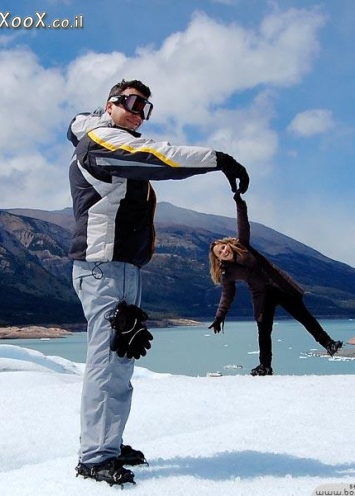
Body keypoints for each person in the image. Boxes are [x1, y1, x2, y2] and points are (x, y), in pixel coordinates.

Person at [67, 79, 249, 487]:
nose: (137, 112)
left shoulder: (113, 141)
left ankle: (107, 442)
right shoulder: (101, 141)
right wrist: (217, 158)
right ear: (109, 104)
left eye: (145, 107)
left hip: (122, 267)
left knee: (122, 355)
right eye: (131, 102)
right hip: (103, 268)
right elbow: (158, 156)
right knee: (107, 359)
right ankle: (95, 456)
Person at [208, 192, 342, 376]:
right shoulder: (227, 273)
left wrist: (239, 202)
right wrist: (219, 317)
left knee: (305, 317)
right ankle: (265, 366)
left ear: (228, 245)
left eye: (223, 247)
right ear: (217, 258)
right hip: (262, 297)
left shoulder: (243, 245)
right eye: (219, 252)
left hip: (280, 287)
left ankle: (329, 344)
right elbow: (227, 295)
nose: (223, 251)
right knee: (264, 331)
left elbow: (243, 223)